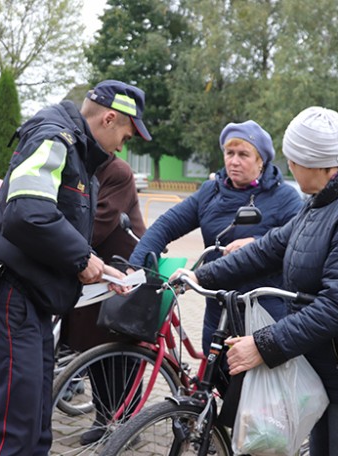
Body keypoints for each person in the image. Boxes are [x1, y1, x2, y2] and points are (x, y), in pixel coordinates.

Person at [173, 106, 338, 455]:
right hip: (329, 362)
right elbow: (270, 248)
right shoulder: (323, 199)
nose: (288, 167)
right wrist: (201, 274)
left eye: (293, 160)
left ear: (316, 162)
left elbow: (337, 306)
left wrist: (262, 344)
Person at [0, 79, 150, 455]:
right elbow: (28, 215)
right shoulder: (54, 139)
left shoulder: (79, 153)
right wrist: (81, 259)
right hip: (12, 298)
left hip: (33, 301)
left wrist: (100, 270)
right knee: (9, 433)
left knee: (36, 429)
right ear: (109, 118)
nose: (123, 145)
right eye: (126, 135)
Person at [130, 120, 303, 354]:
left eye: (244, 154)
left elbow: (298, 243)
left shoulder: (285, 197)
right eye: (229, 153)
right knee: (213, 378)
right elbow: (166, 225)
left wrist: (257, 241)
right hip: (216, 301)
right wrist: (136, 265)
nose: (234, 161)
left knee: (256, 385)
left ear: (261, 161)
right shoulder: (210, 192)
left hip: (263, 307)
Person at [62, 150, 148, 445]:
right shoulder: (80, 168)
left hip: (123, 270)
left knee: (124, 348)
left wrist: (58, 241)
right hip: (91, 270)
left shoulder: (118, 172)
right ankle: (103, 416)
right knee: (91, 344)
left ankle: (129, 422)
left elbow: (97, 222)